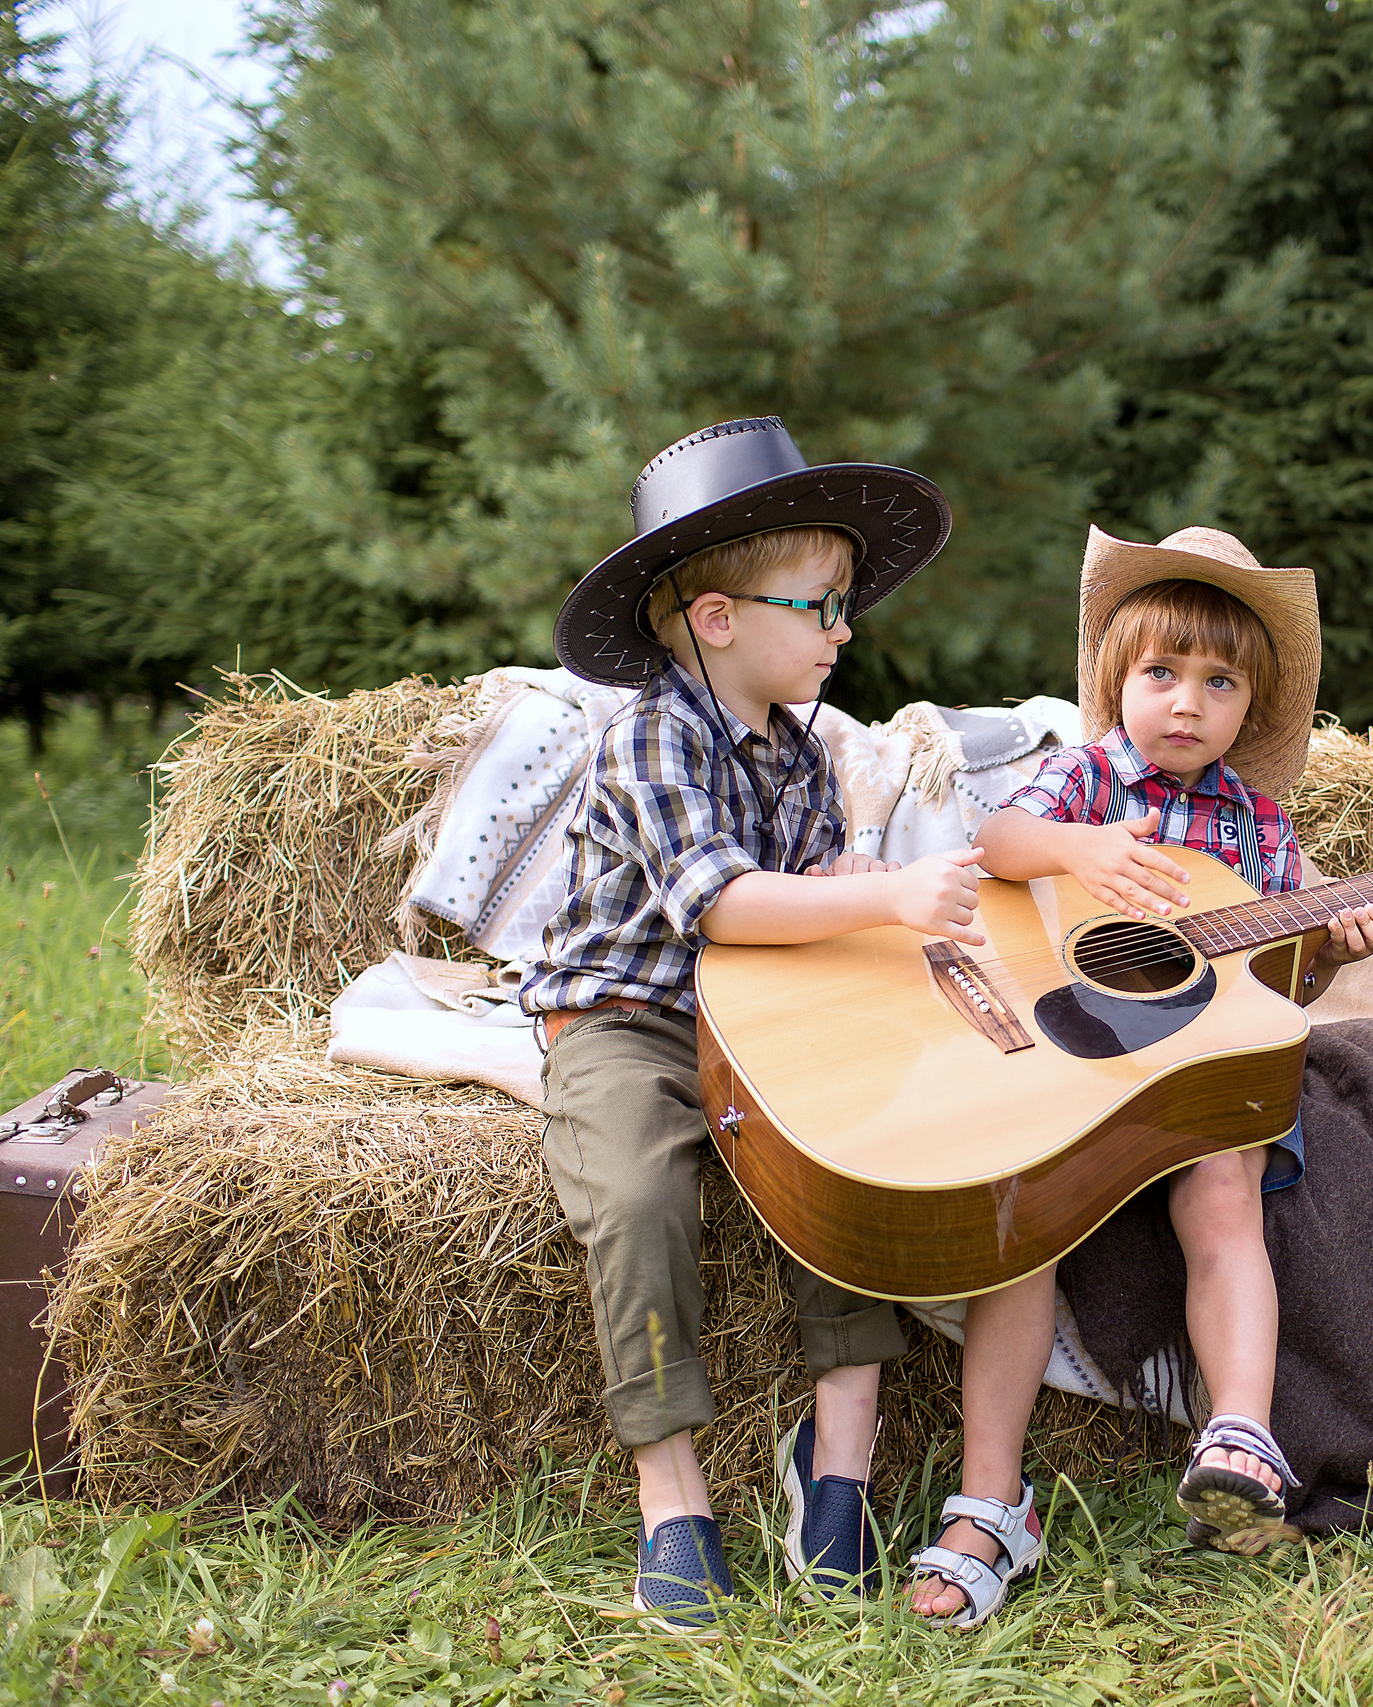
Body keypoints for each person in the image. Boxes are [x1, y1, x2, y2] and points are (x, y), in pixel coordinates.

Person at [524, 416, 977, 1634]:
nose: (844, 631)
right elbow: (721, 905)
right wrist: (881, 893)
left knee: (852, 1170)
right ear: (719, 620)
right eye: (820, 607)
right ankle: (671, 1501)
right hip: (627, 1022)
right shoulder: (650, 736)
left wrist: (881, 915)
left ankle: (838, 1477)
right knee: (635, 1197)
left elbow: (807, 908)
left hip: (759, 1017)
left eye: (844, 609)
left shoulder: (802, 751)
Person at [968, 524, 1373, 1581]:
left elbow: (1270, 989)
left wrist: (1329, 956)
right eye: (1161, 673)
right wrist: (1079, 848)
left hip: (1194, 1062)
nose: (1187, 703)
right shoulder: (1082, 783)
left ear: (1251, 708)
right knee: (1016, 1226)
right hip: (1068, 1057)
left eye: (1219, 683)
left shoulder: (1259, 826)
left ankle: (1239, 1436)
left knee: (1224, 1191)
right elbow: (997, 848)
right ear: (1117, 681)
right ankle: (986, 1496)